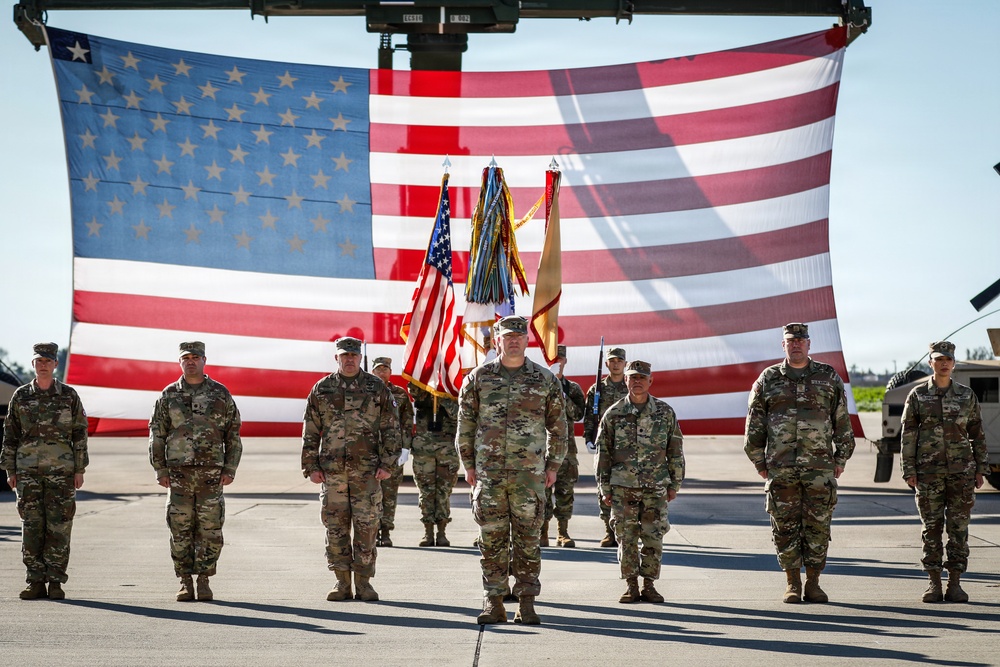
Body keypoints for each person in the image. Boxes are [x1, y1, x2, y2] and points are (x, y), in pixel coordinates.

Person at [456, 315, 566, 625]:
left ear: (527, 340)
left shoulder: (545, 380)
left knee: (528, 539)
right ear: (496, 341)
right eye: (507, 336)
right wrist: (468, 465)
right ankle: (494, 601)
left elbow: (558, 427)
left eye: (519, 335)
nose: (514, 340)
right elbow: (465, 425)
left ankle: (527, 603)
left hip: (529, 474)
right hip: (489, 474)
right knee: (491, 539)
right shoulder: (478, 378)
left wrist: (554, 465)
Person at [744, 322, 855, 604]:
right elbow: (754, 425)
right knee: (784, 527)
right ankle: (792, 582)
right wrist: (759, 461)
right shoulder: (768, 379)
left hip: (819, 469)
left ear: (809, 344)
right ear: (783, 345)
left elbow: (842, 421)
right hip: (781, 468)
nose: (796, 344)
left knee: (818, 527)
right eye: (790, 341)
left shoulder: (828, 377)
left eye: (800, 340)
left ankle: (814, 583)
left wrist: (840, 458)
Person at [301, 337, 401, 602]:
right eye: (344, 355)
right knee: (335, 527)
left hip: (367, 472)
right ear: (336, 358)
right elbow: (310, 430)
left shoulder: (375, 387)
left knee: (367, 527)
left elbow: (391, 427)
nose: (349, 360)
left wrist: (388, 463)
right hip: (332, 472)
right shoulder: (322, 388)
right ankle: (341, 581)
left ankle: (364, 582)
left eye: (353, 355)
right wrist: (310, 465)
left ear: (360, 358)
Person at [149, 341, 242, 602]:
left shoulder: (220, 394)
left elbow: (232, 433)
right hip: (178, 474)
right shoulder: (168, 395)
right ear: (180, 362)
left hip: (211, 474)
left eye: (195, 357)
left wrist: (230, 467)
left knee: (210, 528)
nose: (191, 361)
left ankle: (204, 580)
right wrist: (160, 469)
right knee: (179, 528)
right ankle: (184, 580)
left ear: (204, 360)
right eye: (186, 357)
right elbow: (157, 434)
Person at [900, 340, 988, 603]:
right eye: (939, 359)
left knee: (959, 528)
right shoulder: (917, 395)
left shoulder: (965, 395)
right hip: (928, 474)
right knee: (932, 528)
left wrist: (981, 468)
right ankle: (934, 583)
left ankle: (956, 584)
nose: (944, 363)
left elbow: (977, 433)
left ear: (954, 363)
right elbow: (908, 436)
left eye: (948, 359)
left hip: (962, 472)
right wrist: (909, 470)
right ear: (931, 363)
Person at [2, 343, 88, 600]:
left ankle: (56, 582)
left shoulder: (68, 396)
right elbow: (10, 434)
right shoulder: (20, 396)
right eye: (39, 360)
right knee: (31, 526)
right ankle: (35, 581)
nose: (43, 365)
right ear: (33, 364)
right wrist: (9, 469)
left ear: (55, 364)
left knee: (59, 526)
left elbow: (79, 434)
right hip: (28, 472)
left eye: (48, 361)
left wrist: (79, 468)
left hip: (61, 472)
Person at [596, 360, 684, 604]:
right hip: (623, 487)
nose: (637, 382)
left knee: (654, 536)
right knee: (626, 537)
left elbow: (675, 449)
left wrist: (674, 483)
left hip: (655, 486)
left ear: (650, 381)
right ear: (625, 380)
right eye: (632, 377)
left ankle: (649, 584)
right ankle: (631, 585)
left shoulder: (664, 412)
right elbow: (603, 454)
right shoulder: (613, 414)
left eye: (641, 378)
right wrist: (604, 488)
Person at [541, 344, 587, 548]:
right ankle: (542, 532)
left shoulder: (573, 388)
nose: (556, 362)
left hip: (566, 450)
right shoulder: (539, 385)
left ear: (565, 361)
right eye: (552, 359)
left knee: (565, 492)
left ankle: (562, 532)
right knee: (542, 494)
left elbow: (578, 414)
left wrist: (562, 394)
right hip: (542, 448)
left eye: (559, 359)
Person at [584, 346, 629, 547]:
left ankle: (625, 531)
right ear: (607, 364)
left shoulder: (631, 387)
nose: (616, 363)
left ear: (625, 363)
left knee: (627, 488)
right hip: (604, 445)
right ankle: (609, 531)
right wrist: (588, 438)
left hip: (627, 446)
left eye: (620, 360)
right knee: (604, 488)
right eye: (612, 360)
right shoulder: (597, 390)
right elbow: (589, 417)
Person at [408, 381, 460, 547]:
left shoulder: (453, 393)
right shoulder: (422, 389)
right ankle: (428, 532)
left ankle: (442, 533)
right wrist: (428, 386)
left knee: (443, 492)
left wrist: (443, 397)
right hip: (424, 450)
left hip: (447, 450)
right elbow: (413, 389)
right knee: (426, 492)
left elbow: (457, 414)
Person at [370, 357, 414, 548]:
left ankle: (386, 532)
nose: (381, 373)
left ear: (390, 371)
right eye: (378, 369)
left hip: (393, 452)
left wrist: (405, 447)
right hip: (370, 450)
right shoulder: (365, 392)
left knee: (389, 493)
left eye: (385, 369)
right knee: (369, 494)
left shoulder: (400, 394)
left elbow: (407, 422)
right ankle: (371, 531)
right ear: (373, 372)